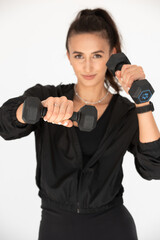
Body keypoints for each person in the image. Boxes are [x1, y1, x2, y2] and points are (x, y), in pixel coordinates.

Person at [0, 7, 160, 240]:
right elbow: (5, 123)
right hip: (56, 229)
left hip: (114, 228)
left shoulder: (125, 113)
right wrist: (33, 109)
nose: (87, 66)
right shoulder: (47, 96)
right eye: (79, 56)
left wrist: (141, 102)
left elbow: (154, 169)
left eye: (97, 55)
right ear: (68, 56)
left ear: (112, 55)